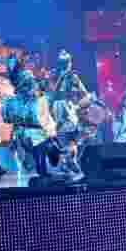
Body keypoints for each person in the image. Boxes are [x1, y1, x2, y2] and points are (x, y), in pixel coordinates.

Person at [1, 54, 58, 178]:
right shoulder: (20, 79)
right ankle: (42, 167)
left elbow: (35, 90)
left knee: (41, 144)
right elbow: (32, 90)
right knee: (38, 146)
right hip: (27, 117)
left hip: (31, 114)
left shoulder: (24, 77)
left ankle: (44, 164)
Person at [48, 50, 96, 179]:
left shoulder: (69, 76)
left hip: (64, 108)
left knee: (70, 138)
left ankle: (68, 162)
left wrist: (78, 105)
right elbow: (52, 94)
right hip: (62, 109)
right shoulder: (58, 76)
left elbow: (85, 94)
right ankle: (68, 162)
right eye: (67, 63)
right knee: (68, 137)